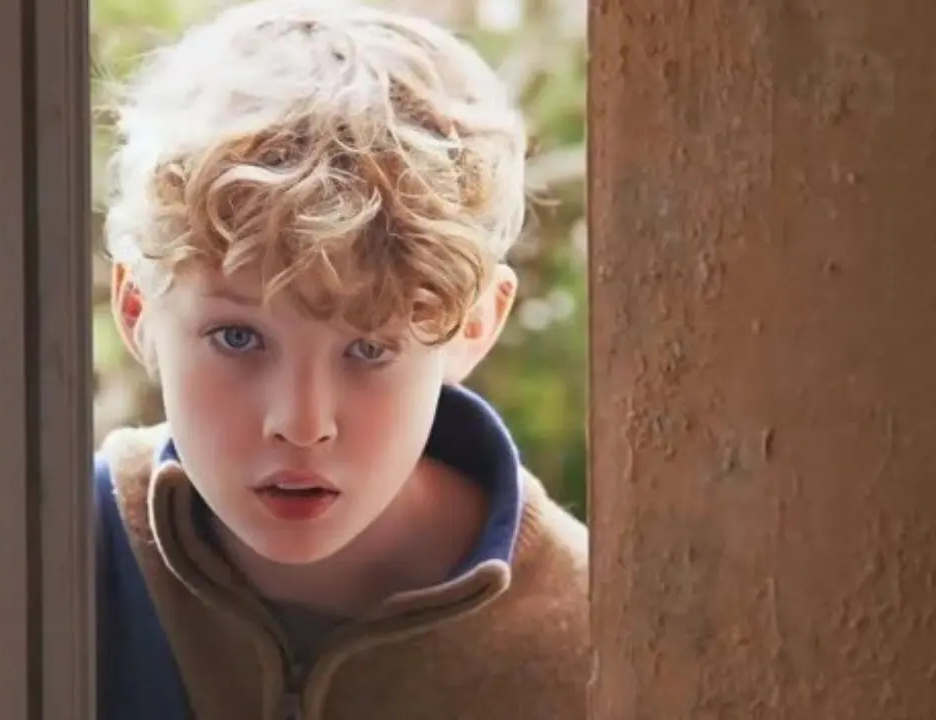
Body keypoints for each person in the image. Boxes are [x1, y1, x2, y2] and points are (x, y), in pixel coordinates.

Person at [94, 1, 590, 717]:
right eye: (238, 339)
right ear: (137, 308)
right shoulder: (52, 554)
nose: (302, 424)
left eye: (369, 348)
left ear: (473, 325)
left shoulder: (599, 638)